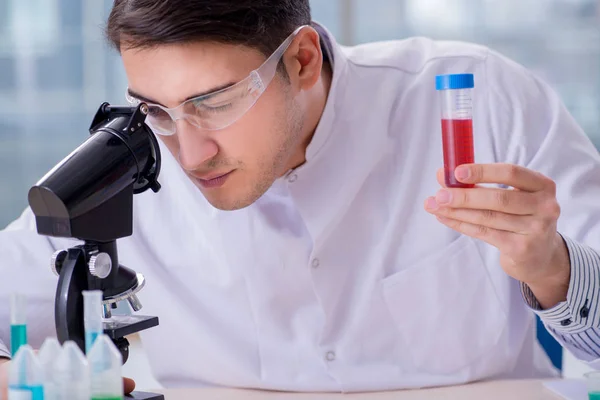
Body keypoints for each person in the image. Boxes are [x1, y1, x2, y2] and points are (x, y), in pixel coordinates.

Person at [2, 0, 600, 394]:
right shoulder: (133, 161)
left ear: (302, 59)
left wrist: (555, 270)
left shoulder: (475, 100)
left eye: (214, 103)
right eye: (157, 108)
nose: (189, 152)